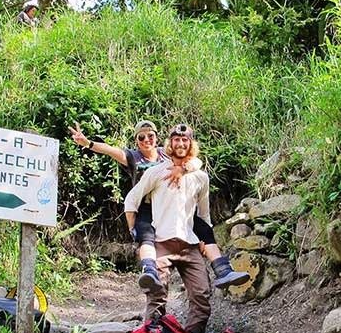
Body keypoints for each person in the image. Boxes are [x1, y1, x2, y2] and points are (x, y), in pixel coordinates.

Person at [68, 119, 248, 290]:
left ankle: (223, 270)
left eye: (150, 136)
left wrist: (182, 169)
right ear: (136, 141)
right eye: (141, 137)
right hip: (147, 205)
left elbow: (195, 160)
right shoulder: (134, 157)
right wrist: (87, 143)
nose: (146, 140)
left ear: (157, 138)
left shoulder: (167, 153)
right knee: (145, 234)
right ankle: (149, 270)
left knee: (203, 228)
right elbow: (110, 150)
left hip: (172, 205)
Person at [123, 123, 214, 333]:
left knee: (202, 295)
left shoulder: (201, 177)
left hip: (190, 244)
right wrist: (134, 231)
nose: (180, 143)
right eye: (176, 140)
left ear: (191, 144)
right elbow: (131, 200)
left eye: (185, 140)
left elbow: (203, 214)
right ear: (169, 144)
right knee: (157, 293)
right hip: (161, 242)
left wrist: (205, 238)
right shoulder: (156, 172)